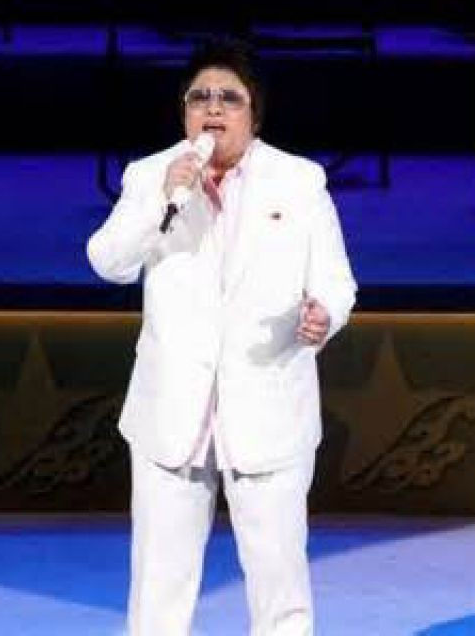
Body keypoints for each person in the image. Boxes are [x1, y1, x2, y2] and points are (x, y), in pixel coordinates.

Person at [87, 39, 357, 636]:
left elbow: (337, 284)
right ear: (183, 111)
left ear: (254, 115)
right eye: (199, 97)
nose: (212, 108)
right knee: (158, 593)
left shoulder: (300, 182)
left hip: (268, 411)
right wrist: (162, 201)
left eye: (229, 98)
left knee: (280, 593)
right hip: (170, 417)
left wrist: (324, 315)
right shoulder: (150, 176)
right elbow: (108, 262)